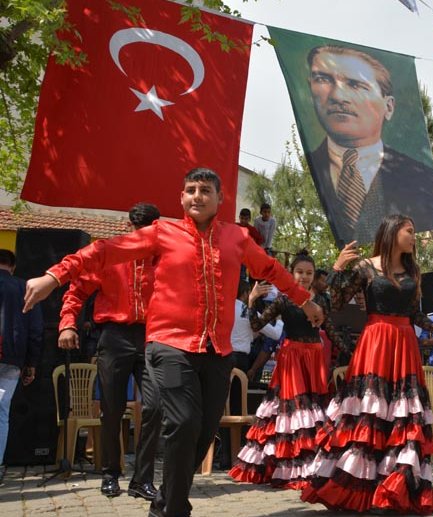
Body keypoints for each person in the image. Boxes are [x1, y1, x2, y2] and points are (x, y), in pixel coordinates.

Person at [23, 168, 324, 517]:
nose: (197, 196)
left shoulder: (236, 238)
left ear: (220, 198)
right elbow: (105, 251)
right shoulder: (162, 233)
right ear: (181, 198)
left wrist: (304, 300)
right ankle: (174, 509)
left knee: (203, 431)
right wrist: (54, 275)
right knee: (182, 422)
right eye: (190, 190)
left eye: (205, 190)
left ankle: (165, 500)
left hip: (217, 350)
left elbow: (271, 269)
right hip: (169, 344)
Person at [301, 214, 433, 514]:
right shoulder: (366, 267)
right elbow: (335, 302)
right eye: (410, 231)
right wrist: (338, 267)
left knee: (402, 416)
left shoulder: (413, 272)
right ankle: (359, 487)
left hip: (404, 345)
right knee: (371, 413)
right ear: (393, 232)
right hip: (375, 343)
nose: (415, 237)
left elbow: (415, 315)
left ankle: (395, 486)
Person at [57, 202, 162, 499]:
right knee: (112, 409)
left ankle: (142, 479)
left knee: (155, 407)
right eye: (136, 230)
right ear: (128, 227)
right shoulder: (109, 256)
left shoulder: (164, 258)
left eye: (148, 232)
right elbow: (76, 290)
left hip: (152, 336)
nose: (141, 237)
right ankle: (110, 472)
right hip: (114, 336)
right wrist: (67, 324)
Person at [304, 45, 433, 245]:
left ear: (388, 106)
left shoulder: (420, 181)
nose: (337, 96)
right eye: (323, 79)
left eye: (355, 85)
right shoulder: (307, 170)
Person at [230, 251, 341, 489]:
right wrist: (251, 303)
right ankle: (291, 467)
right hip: (292, 358)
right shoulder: (283, 300)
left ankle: (314, 466)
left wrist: (351, 352)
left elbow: (330, 330)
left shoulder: (322, 300)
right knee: (294, 410)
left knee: (313, 410)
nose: (304, 277)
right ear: (291, 274)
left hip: (314, 358)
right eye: (300, 272)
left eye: (309, 273)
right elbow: (257, 325)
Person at [0, 250, 43, 485]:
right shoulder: (24, 288)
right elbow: (36, 330)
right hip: (12, 357)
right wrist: (31, 363)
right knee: (1, 412)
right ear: (13, 267)